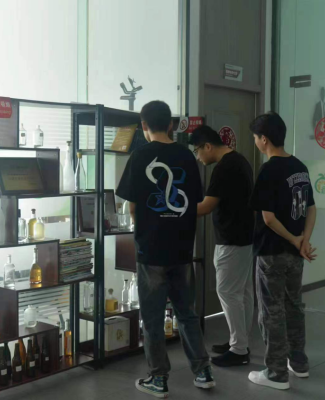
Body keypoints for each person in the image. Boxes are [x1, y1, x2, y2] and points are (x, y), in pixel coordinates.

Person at [116, 100, 213, 398]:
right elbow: (195, 202)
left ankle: (158, 379)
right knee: (187, 313)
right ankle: (203, 372)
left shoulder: (139, 156)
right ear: (171, 125)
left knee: (153, 318)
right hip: (182, 249)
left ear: (144, 125)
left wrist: (148, 227)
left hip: (151, 250)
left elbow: (132, 208)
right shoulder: (186, 156)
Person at [248, 112, 317, 391]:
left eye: (255, 138)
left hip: (272, 251)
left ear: (264, 139)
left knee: (271, 311)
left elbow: (268, 218)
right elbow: (311, 207)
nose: (255, 142)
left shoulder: (269, 170)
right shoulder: (299, 167)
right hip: (295, 254)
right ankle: (298, 362)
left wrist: (294, 239)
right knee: (294, 306)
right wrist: (303, 241)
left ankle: (276, 373)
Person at [190, 125, 255, 367]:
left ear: (207, 146)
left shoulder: (224, 167)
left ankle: (239, 350)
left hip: (232, 239)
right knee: (243, 292)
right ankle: (240, 342)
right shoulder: (240, 160)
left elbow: (206, 206)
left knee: (228, 292)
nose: (198, 157)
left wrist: (176, 212)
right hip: (244, 236)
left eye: (197, 151)